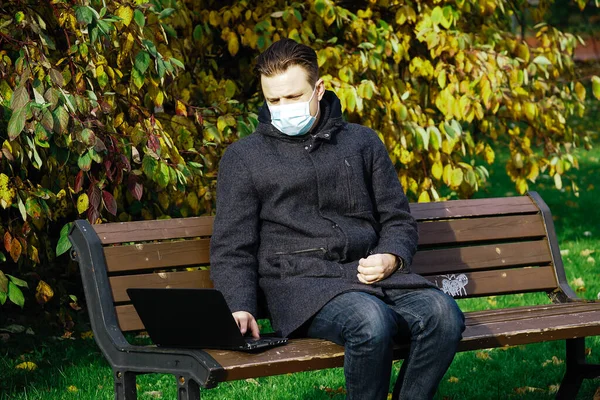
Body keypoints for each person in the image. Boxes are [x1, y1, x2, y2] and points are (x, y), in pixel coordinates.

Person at [210, 38, 465, 400]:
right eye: (272, 100)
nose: (282, 108)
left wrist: (391, 255)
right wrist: (239, 304)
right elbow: (232, 246)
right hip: (299, 287)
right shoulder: (244, 157)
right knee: (370, 321)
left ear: (319, 88)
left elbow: (398, 219)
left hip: (370, 278)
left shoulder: (362, 143)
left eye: (293, 98)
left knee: (443, 314)